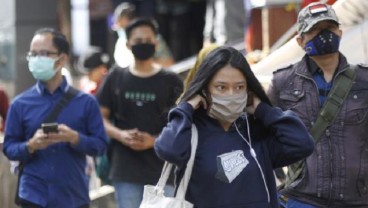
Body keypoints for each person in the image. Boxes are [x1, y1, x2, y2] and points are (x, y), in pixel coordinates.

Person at [154, 46, 314, 208]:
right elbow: (168, 150)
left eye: (239, 87)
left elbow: (302, 144)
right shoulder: (190, 132)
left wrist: (264, 110)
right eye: (221, 87)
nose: (231, 95)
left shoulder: (256, 132)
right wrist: (186, 108)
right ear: (205, 90)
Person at [267, 2, 368, 207]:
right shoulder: (282, 82)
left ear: (340, 33)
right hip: (302, 198)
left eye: (329, 29)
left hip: (357, 199)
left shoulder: (364, 80)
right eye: (315, 30)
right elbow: (262, 134)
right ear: (300, 41)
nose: (324, 35)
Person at [2, 28, 108, 208]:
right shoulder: (20, 103)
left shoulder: (86, 102)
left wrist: (75, 138)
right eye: (33, 54)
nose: (36, 59)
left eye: (43, 53)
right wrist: (31, 145)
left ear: (62, 58)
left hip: (73, 195)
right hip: (33, 195)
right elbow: (9, 147)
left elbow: (100, 146)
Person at [96, 18, 183, 208]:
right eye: (138, 41)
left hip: (164, 171)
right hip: (126, 171)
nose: (143, 44)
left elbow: (182, 125)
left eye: (147, 40)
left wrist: (154, 140)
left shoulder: (171, 80)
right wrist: (121, 135)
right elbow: (99, 117)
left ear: (156, 43)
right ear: (128, 44)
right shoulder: (115, 77)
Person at [113, 2, 174, 68]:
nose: (122, 30)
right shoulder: (121, 42)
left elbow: (169, 63)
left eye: (124, 27)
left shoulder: (152, 39)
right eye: (120, 27)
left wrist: (145, 64)